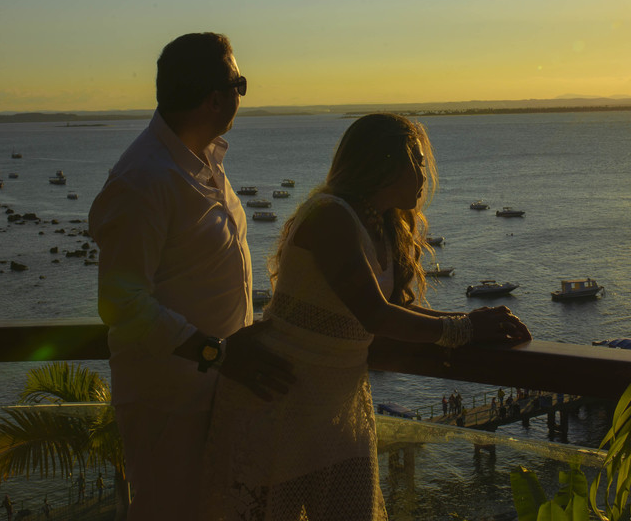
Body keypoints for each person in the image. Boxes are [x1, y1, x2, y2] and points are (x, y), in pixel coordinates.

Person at [200, 113, 530, 520]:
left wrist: (470, 321)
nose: (425, 174)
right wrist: (463, 329)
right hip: (280, 400)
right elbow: (375, 314)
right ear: (386, 163)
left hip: (337, 404)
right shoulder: (331, 215)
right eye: (418, 161)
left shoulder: (379, 221)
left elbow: (391, 308)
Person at [91, 32, 293, 521]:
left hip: (217, 392)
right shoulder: (145, 179)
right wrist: (216, 353)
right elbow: (122, 305)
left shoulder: (202, 161)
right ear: (214, 99)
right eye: (240, 84)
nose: (243, 95)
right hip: (170, 403)